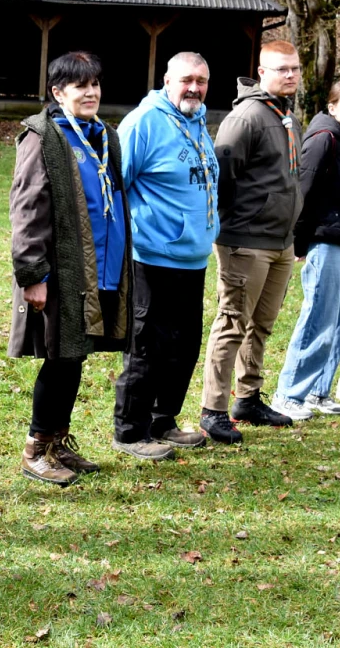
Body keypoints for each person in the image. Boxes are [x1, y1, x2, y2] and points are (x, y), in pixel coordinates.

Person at [9, 51, 132, 487]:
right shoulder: (42, 136)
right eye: (80, 86)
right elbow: (27, 208)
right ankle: (35, 448)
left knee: (75, 356)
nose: (91, 92)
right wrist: (33, 275)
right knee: (60, 358)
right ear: (58, 92)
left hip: (99, 269)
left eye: (95, 84)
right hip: (60, 272)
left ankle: (57, 443)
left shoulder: (104, 136)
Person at [111, 52, 217, 462]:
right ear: (167, 80)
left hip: (193, 258)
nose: (194, 87)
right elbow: (118, 185)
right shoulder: (144, 123)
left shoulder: (198, 121)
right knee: (146, 346)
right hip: (152, 256)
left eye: (202, 80)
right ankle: (130, 430)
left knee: (183, 344)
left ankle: (162, 419)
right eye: (187, 79)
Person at [199, 39, 304, 444]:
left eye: (295, 68)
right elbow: (222, 178)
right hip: (246, 240)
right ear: (262, 73)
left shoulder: (285, 114)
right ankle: (213, 408)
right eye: (282, 69)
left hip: (280, 242)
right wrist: (236, 227)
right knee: (232, 322)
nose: (291, 75)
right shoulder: (247, 117)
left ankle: (248, 397)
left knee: (262, 324)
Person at [271, 81, 340, 420]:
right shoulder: (323, 139)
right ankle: (288, 393)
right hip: (325, 239)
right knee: (318, 317)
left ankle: (318, 390)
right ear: (331, 108)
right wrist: (300, 241)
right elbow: (305, 190)